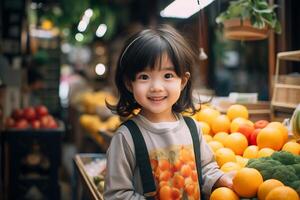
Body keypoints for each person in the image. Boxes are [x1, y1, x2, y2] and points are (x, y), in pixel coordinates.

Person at [104, 25, 235, 200]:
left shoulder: (192, 128)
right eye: (144, 77)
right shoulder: (126, 137)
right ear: (129, 83)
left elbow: (206, 168)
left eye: (168, 76)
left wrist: (221, 179)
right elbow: (117, 194)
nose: (156, 87)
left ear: (182, 81)